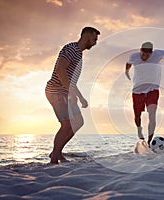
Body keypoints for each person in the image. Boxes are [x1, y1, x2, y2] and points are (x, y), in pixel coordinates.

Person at [45, 27, 100, 164]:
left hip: (64, 91)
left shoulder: (79, 54)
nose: (95, 43)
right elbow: (60, 70)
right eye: (94, 39)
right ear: (88, 37)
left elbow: (71, 80)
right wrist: (70, 93)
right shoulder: (71, 49)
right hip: (56, 91)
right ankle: (54, 157)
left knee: (78, 122)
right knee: (67, 124)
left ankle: (57, 152)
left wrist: (80, 97)